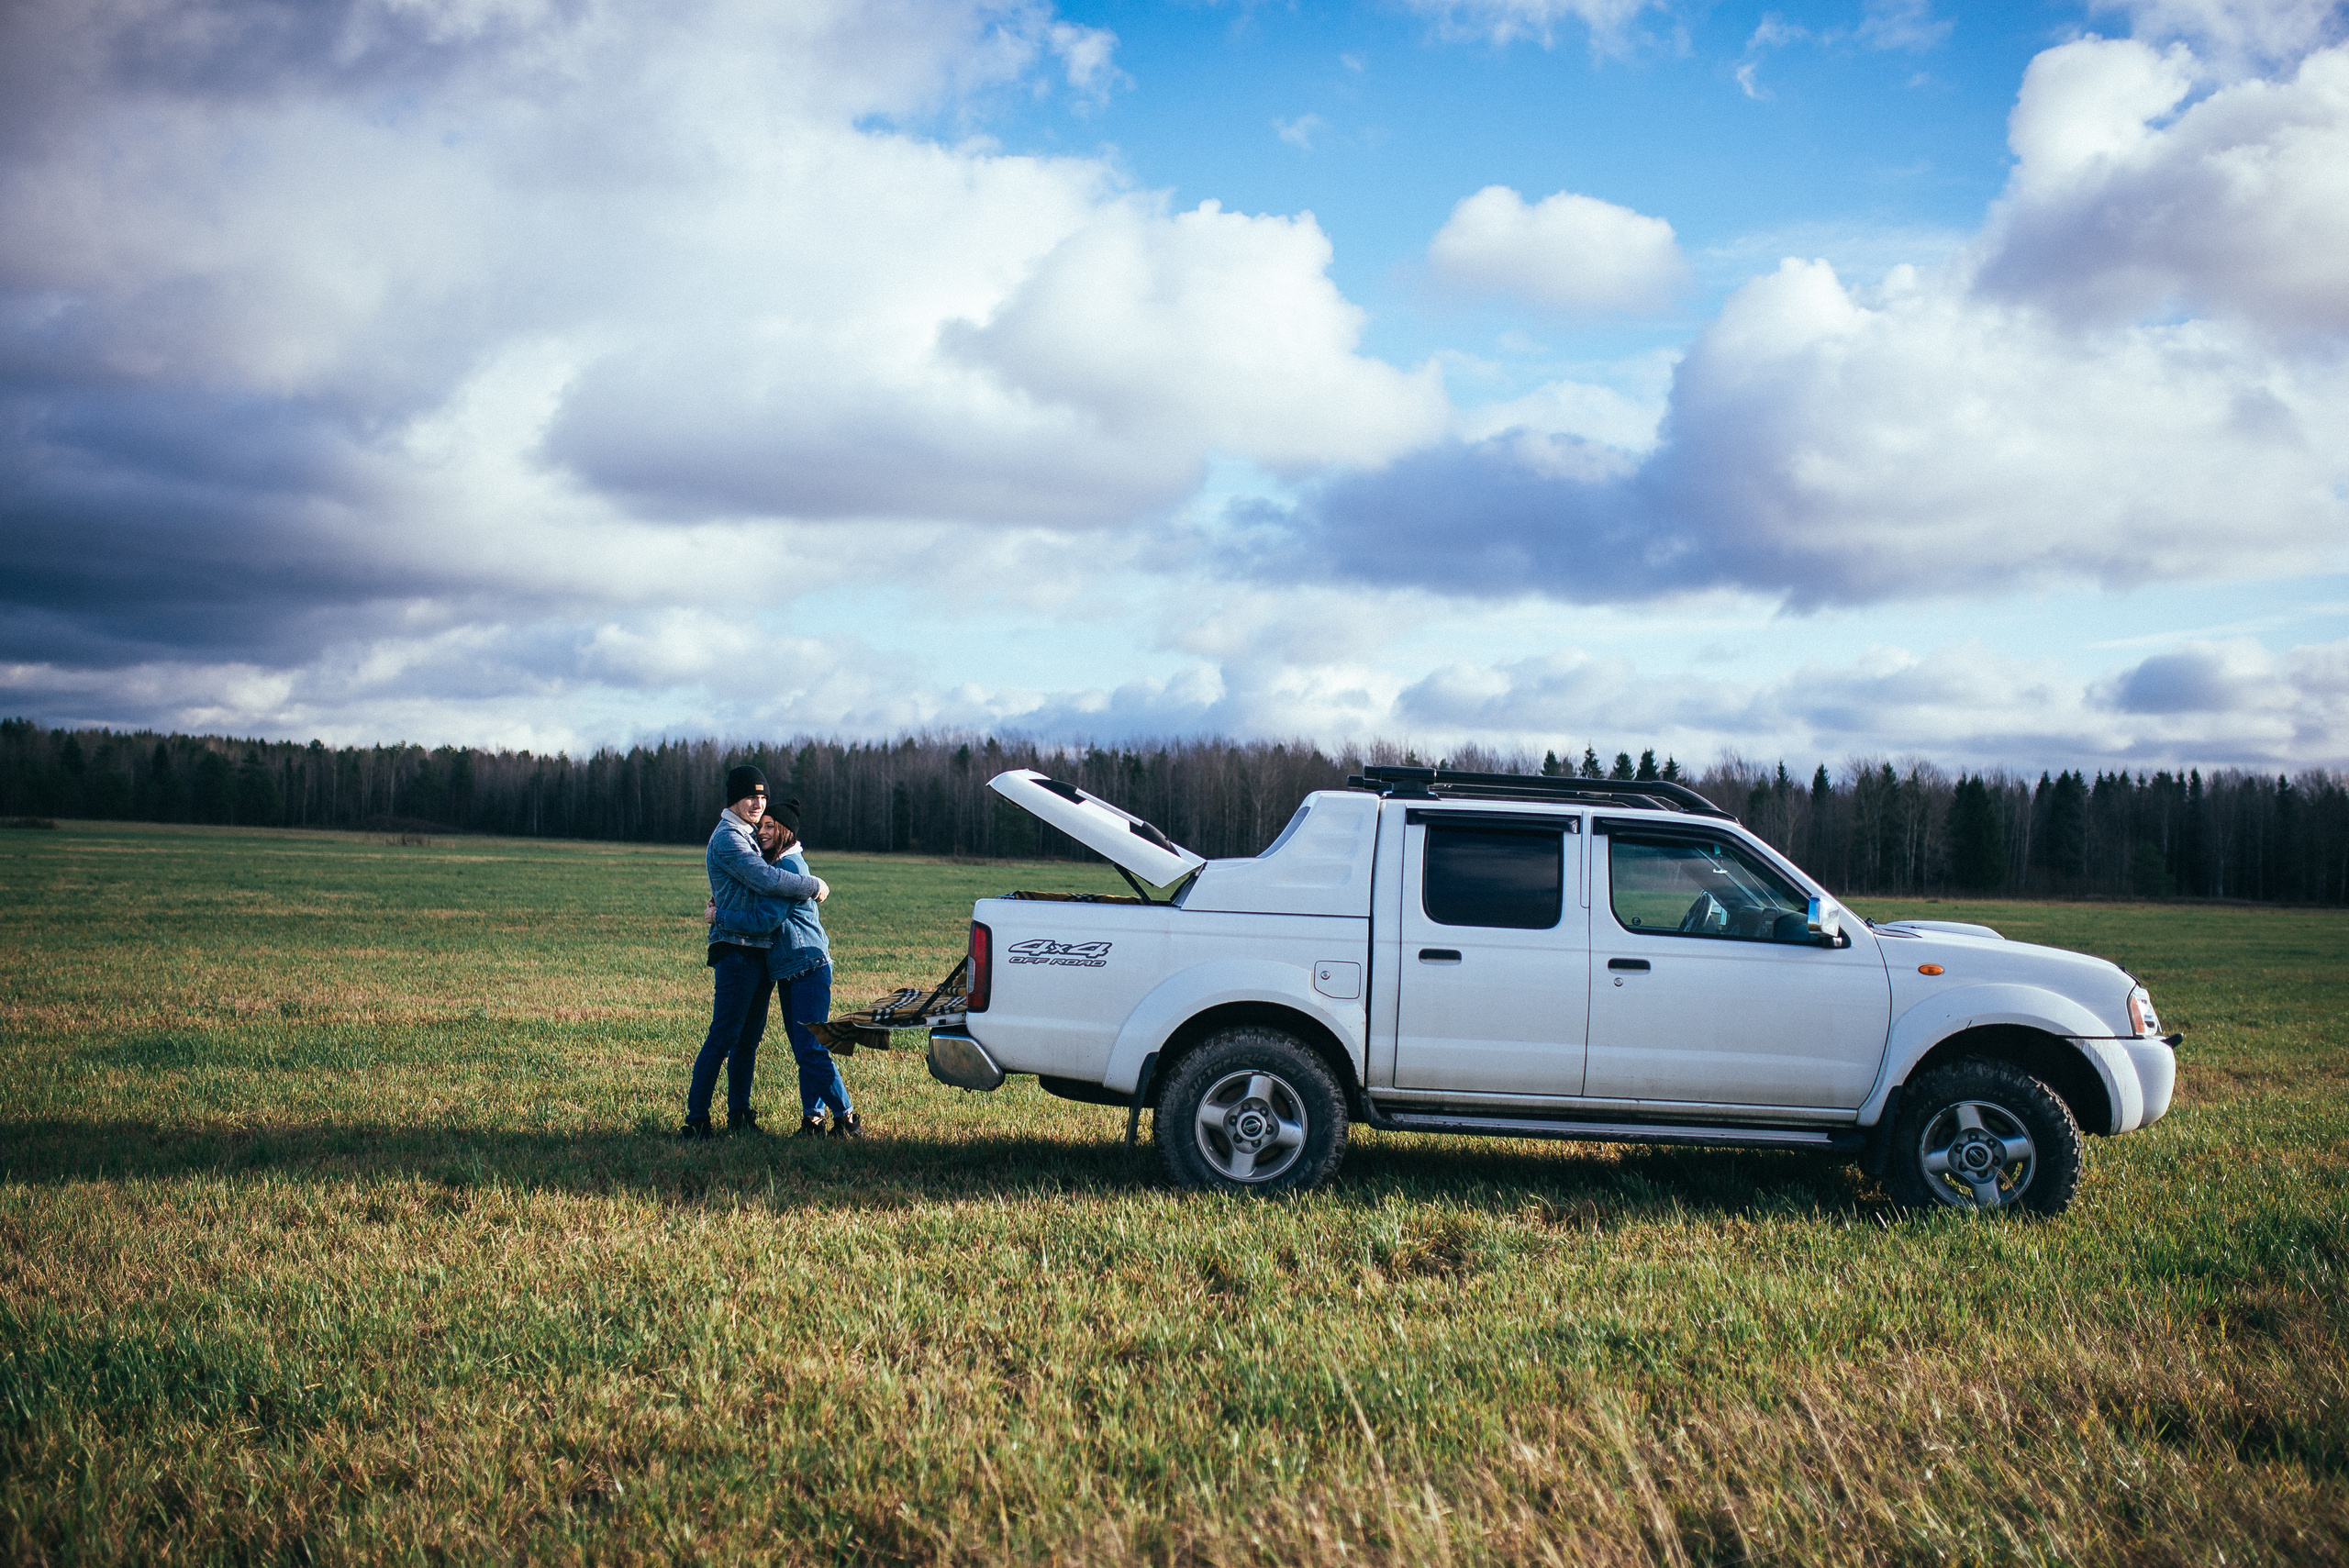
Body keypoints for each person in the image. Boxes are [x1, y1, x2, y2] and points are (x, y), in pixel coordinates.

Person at [681, 764, 828, 1140]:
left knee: (748, 1040)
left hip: (758, 951)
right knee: (723, 1036)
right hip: (736, 951)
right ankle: (696, 1120)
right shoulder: (729, 839)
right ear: (734, 798)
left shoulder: (749, 836)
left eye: (763, 797)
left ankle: (740, 1114)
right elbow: (765, 879)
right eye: (751, 796)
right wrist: (812, 884)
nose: (758, 804)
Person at [757, 796, 861, 1139]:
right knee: (805, 1049)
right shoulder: (779, 865)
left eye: (770, 826)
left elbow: (769, 918)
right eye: (761, 826)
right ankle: (812, 1119)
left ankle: (847, 1118)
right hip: (792, 968)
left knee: (810, 1049)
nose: (762, 831)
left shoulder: (789, 868)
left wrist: (720, 917)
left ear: (785, 830)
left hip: (809, 966)